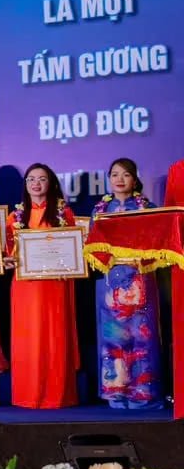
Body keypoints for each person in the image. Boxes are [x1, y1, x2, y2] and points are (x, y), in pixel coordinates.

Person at [5, 164, 78, 409]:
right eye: (31, 179)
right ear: (25, 185)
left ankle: (57, 394)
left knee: (53, 336)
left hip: (54, 286)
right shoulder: (14, 218)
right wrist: (5, 259)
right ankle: (28, 394)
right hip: (26, 287)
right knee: (29, 338)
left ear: (51, 183)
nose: (36, 184)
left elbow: (73, 250)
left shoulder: (63, 213)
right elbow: (7, 253)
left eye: (42, 179)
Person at [92, 157, 162, 409]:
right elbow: (92, 250)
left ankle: (142, 393)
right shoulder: (100, 211)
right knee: (114, 339)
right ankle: (116, 392)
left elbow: (156, 244)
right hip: (111, 284)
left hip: (139, 280)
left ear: (134, 179)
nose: (119, 179)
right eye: (114, 174)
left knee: (140, 338)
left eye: (125, 174)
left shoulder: (147, 207)